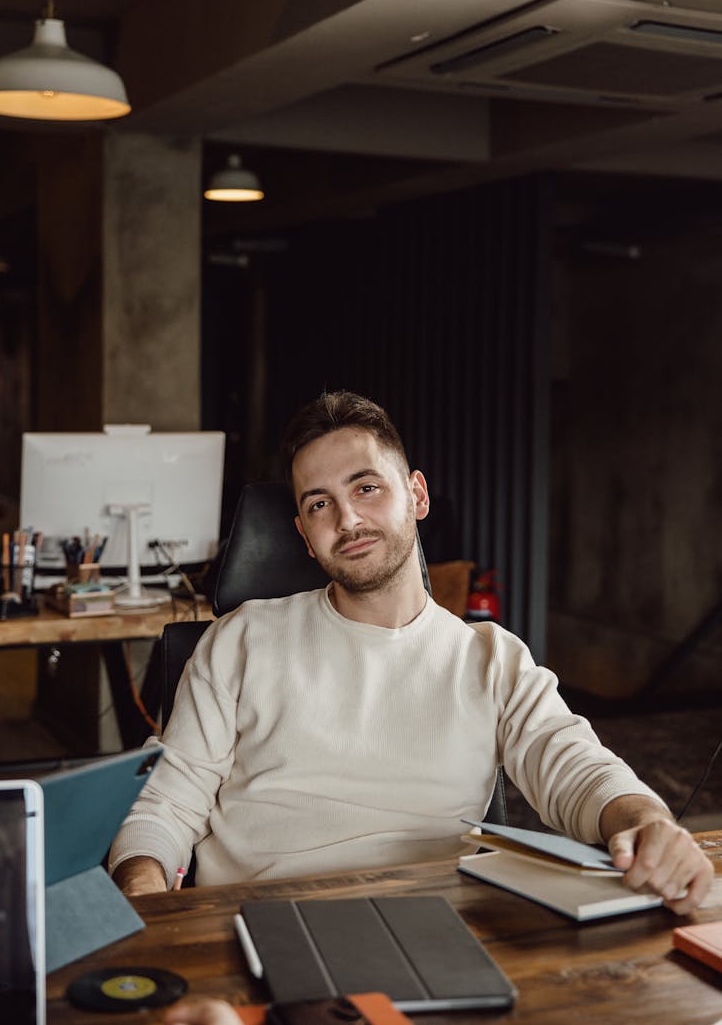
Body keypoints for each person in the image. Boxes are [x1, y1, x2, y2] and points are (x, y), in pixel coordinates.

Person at [109, 390, 713, 912]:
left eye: (366, 488)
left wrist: (648, 824)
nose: (347, 519)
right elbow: (166, 798)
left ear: (416, 496)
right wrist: (146, 894)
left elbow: (578, 770)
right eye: (319, 503)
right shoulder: (241, 639)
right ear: (302, 532)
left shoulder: (491, 659)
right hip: (254, 922)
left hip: (433, 926)